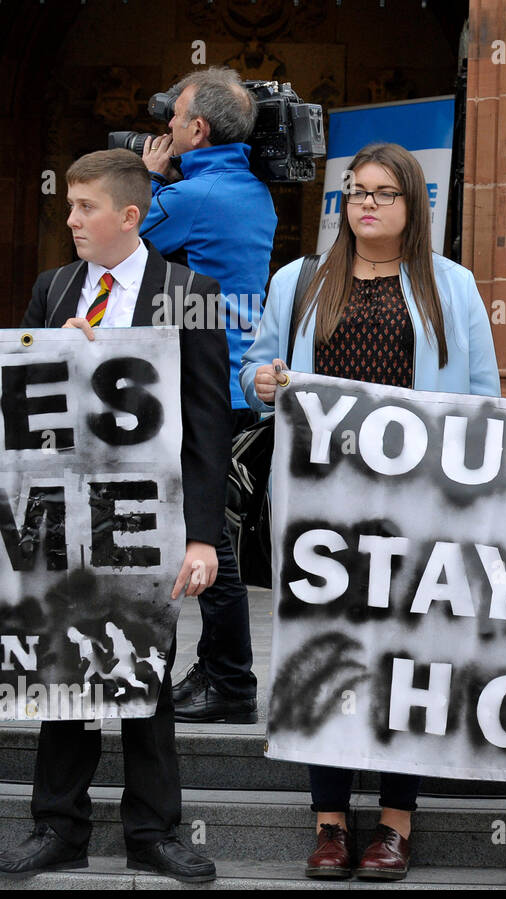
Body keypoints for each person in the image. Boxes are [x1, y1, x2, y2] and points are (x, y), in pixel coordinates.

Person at [239, 142, 499, 881]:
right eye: (356, 191)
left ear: (414, 205)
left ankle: (394, 820)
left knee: (404, 660)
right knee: (323, 653)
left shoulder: (451, 286)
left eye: (384, 193)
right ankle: (328, 820)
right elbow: (256, 370)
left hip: (415, 505)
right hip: (320, 502)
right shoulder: (298, 281)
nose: (366, 204)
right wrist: (261, 378)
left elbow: (481, 398)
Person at [0, 149, 230, 882]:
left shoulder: (187, 291)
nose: (70, 220)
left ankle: (154, 831)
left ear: (129, 215)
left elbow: (206, 420)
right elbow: (27, 412)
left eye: (85, 207)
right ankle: (57, 826)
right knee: (65, 667)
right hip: (66, 514)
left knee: (149, 677)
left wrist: (202, 534)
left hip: (148, 519)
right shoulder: (54, 285)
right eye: (68, 205)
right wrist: (60, 351)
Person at [141, 66, 278, 724]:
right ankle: (220, 671)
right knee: (212, 529)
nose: (163, 128)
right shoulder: (252, 190)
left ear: (197, 129)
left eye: (173, 119)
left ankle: (231, 678)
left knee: (209, 539)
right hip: (233, 381)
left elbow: (125, 245)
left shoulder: (187, 198)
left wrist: (147, 181)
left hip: (202, 387)